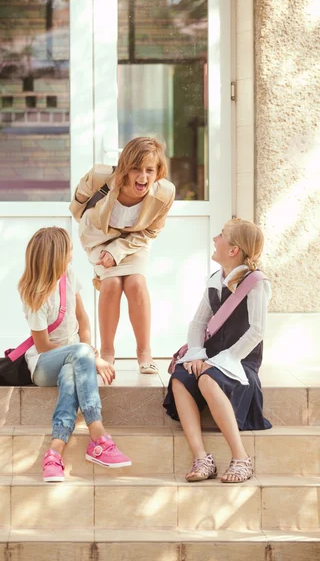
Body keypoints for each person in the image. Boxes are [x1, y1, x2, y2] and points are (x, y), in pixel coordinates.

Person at [18, 226, 131, 482]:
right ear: (57, 255)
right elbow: (44, 345)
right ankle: (98, 434)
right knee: (76, 357)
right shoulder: (35, 294)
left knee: (70, 378)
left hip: (73, 359)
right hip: (44, 364)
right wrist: (89, 355)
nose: (73, 254)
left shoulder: (69, 275)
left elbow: (83, 319)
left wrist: (86, 351)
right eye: (69, 249)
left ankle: (54, 453)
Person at [163, 219, 272, 483]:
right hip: (210, 360)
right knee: (180, 378)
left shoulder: (256, 283)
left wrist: (225, 360)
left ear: (234, 250)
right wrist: (198, 354)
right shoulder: (215, 279)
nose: (215, 239)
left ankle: (241, 458)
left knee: (208, 380)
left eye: (221, 236)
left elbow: (257, 331)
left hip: (239, 363)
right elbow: (199, 323)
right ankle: (202, 457)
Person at [70, 137, 175, 374]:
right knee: (112, 284)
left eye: (150, 170)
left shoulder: (165, 193)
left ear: (158, 171)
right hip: (98, 236)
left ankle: (144, 352)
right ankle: (107, 352)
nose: (143, 177)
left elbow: (151, 231)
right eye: (136, 169)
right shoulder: (99, 176)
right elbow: (78, 202)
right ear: (126, 168)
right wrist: (91, 228)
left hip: (135, 240)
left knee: (136, 283)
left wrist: (117, 250)